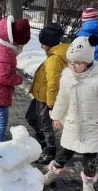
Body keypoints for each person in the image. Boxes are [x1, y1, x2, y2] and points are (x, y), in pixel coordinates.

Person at [43, 36, 98, 191]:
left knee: (89, 159)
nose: (72, 67)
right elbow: (62, 99)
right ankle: (53, 172)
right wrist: (57, 116)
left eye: (77, 64)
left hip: (93, 128)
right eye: (70, 63)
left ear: (88, 62)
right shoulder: (67, 77)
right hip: (72, 125)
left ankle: (89, 182)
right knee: (63, 153)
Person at [0, 15, 31, 150]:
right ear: (15, 40)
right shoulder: (4, 52)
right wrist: (18, 79)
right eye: (22, 43)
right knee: (1, 121)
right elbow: (2, 77)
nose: (22, 46)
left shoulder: (2, 45)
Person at [25, 23, 69, 164]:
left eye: (43, 43)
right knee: (31, 117)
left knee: (46, 126)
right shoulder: (53, 56)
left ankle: (51, 151)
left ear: (49, 42)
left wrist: (51, 106)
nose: (41, 46)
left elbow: (53, 84)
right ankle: (43, 143)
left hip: (46, 100)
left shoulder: (54, 60)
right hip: (40, 97)